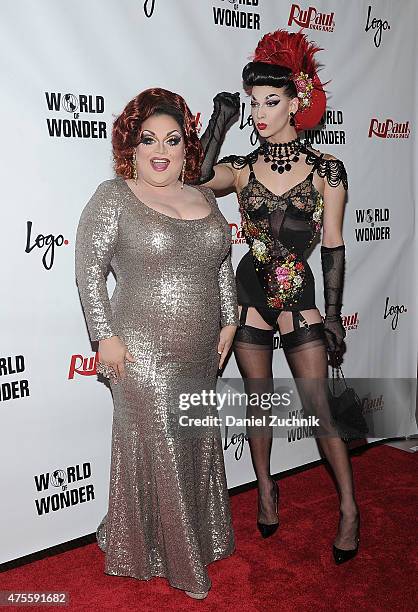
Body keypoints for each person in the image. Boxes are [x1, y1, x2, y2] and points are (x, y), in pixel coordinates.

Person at [199, 30, 360, 564]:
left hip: (298, 297)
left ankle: (350, 509)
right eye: (254, 104)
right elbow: (197, 178)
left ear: (297, 102)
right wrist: (219, 126)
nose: (260, 112)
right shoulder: (242, 167)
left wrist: (333, 315)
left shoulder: (327, 171)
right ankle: (266, 489)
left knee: (320, 411)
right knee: (259, 404)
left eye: (272, 101)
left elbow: (332, 246)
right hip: (248, 296)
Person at [75, 87, 239, 599]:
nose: (160, 150)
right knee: (164, 444)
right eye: (149, 140)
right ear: (132, 146)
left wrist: (230, 322)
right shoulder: (114, 196)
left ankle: (156, 537)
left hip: (200, 350)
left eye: (172, 139)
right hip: (141, 351)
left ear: (187, 147)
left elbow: (220, 267)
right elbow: (89, 273)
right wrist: (105, 336)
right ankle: (183, 566)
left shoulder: (205, 197)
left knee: (192, 443)